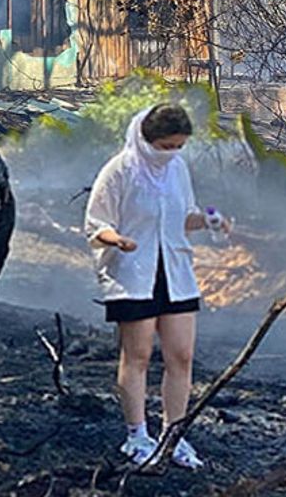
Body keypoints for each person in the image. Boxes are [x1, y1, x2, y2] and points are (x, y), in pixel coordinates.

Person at [85, 104, 229, 470]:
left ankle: (173, 435)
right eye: (165, 146)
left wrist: (210, 221)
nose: (172, 153)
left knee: (180, 355)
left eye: (179, 146)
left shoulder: (177, 170)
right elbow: (95, 223)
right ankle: (136, 435)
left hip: (175, 273)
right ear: (146, 139)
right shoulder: (119, 171)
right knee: (139, 356)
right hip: (133, 274)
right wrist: (117, 240)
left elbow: (185, 217)